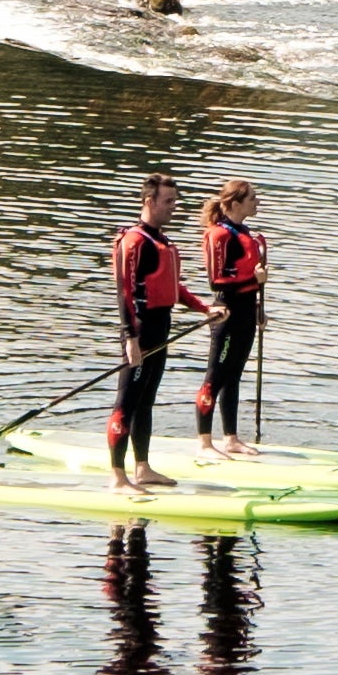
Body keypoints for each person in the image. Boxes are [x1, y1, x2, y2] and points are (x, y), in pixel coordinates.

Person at [110, 174, 220, 493]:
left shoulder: (162, 241)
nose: (175, 206)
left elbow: (173, 287)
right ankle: (118, 477)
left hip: (161, 327)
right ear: (150, 202)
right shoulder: (133, 241)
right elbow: (124, 293)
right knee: (126, 404)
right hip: (140, 330)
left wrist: (204, 309)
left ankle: (142, 468)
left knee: (146, 402)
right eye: (168, 201)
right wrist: (130, 338)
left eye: (175, 200)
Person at [194, 179, 267, 460]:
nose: (256, 203)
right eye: (252, 198)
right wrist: (253, 278)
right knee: (215, 377)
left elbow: (252, 282)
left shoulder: (245, 232)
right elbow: (216, 281)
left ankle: (231, 438)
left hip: (247, 311)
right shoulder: (219, 235)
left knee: (234, 376)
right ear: (235, 203)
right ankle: (204, 442)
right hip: (227, 312)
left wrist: (259, 309)